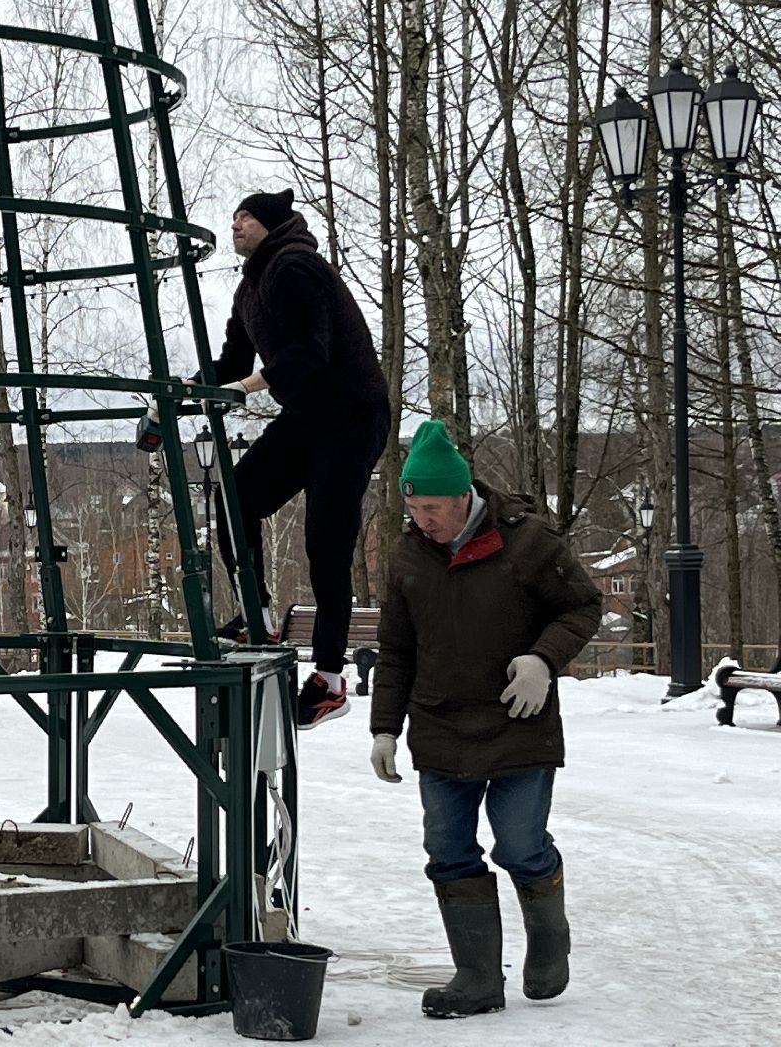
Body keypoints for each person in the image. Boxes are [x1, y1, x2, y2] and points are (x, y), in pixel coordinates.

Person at [368, 420, 602, 1019]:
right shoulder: (409, 556)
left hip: (518, 717)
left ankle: (549, 937)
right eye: (415, 507)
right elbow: (396, 650)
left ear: (465, 496)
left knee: (520, 844)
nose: (424, 519)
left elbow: (581, 606)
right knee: (447, 849)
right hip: (440, 724)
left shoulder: (529, 542)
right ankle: (476, 980)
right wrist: (384, 728)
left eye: (434, 507)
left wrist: (543, 660)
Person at [194, 188, 390, 730]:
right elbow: (233, 359)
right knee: (236, 496)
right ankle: (255, 614)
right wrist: (189, 388)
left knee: (326, 540)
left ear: (271, 225)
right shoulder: (250, 285)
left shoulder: (296, 267)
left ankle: (329, 680)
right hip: (308, 414)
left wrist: (253, 386)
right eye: (231, 217)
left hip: (350, 413)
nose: (235, 225)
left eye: (246, 217)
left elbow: (311, 350)